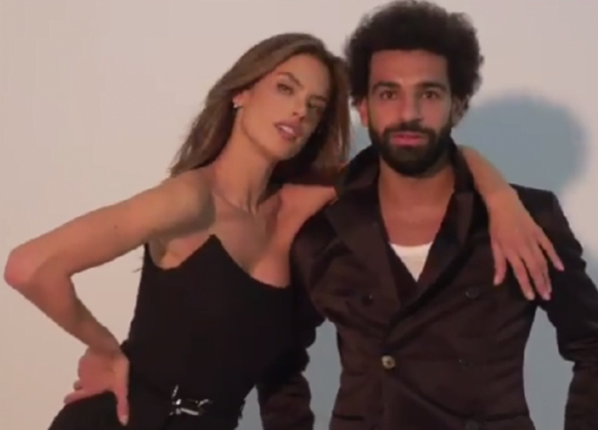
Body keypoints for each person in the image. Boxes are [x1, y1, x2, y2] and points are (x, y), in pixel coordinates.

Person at [3, 31, 561, 430]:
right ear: (242, 92)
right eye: (285, 89)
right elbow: (29, 267)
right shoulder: (191, 200)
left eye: (314, 106)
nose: (299, 111)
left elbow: (419, 156)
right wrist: (105, 349)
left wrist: (501, 198)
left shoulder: (297, 208)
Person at [263, 2, 598, 430]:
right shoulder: (324, 229)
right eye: (388, 94)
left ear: (458, 105)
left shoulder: (527, 220)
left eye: (429, 94)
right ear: (363, 107)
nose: (408, 113)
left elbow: (597, 350)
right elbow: (278, 361)